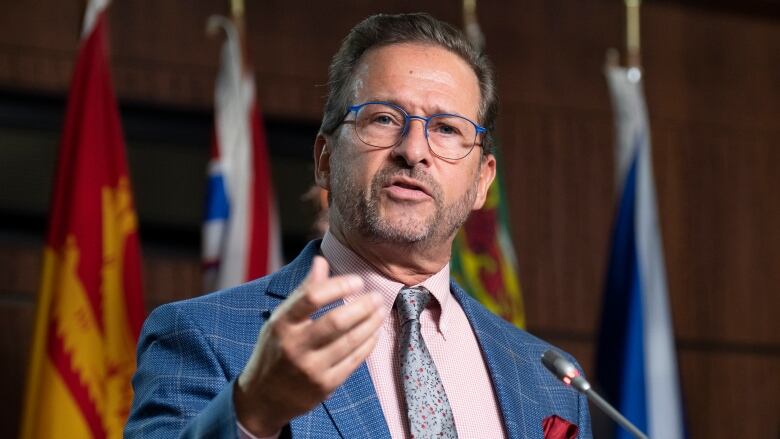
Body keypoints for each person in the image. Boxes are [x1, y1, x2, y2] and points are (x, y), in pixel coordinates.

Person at [125, 13, 592, 439]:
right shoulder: (200, 334)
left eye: (447, 129)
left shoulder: (551, 381)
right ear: (325, 161)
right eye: (384, 119)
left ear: (481, 182)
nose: (414, 150)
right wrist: (251, 413)